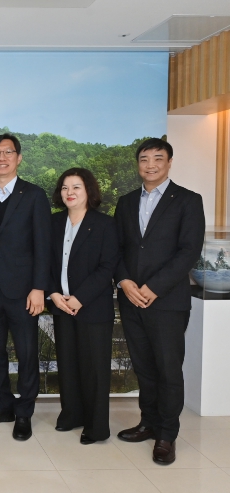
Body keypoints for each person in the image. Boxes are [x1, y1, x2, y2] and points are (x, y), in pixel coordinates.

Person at [114, 138, 204, 465]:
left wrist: (154, 287)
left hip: (166, 301)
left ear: (169, 162)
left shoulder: (188, 200)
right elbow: (117, 248)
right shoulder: (125, 202)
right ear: (137, 163)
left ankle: (167, 434)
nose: (150, 165)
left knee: (168, 370)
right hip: (130, 299)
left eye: (157, 158)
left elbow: (189, 251)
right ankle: (148, 423)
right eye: (144, 159)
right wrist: (125, 282)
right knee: (144, 367)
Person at [0, 133, 51, 441]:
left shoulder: (34, 195)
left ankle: (25, 411)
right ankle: (3, 403)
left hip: (24, 290)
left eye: (8, 152)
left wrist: (39, 287)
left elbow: (43, 245)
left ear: (18, 158)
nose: (1, 158)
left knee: (27, 352)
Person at [47, 168, 119, 445]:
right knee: (68, 364)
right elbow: (46, 261)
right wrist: (54, 293)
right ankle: (72, 415)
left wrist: (80, 298)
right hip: (61, 305)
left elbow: (107, 267)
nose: (70, 192)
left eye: (76, 187)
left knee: (94, 370)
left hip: (92, 307)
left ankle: (96, 427)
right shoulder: (54, 223)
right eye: (65, 187)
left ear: (89, 190)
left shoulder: (104, 224)